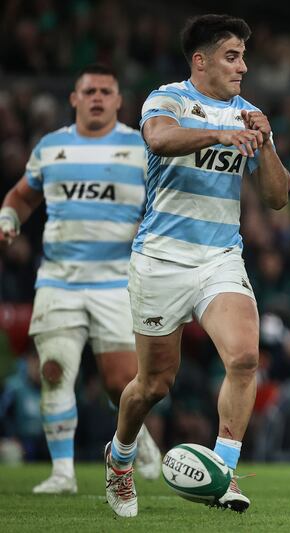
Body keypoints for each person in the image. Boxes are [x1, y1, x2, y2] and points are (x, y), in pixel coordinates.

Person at [102, 15, 290, 518]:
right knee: (154, 385)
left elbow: (277, 198)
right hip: (161, 258)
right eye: (233, 56)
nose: (243, 67)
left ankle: (223, 471)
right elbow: (160, 139)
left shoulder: (249, 114)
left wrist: (266, 141)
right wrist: (219, 134)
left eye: (245, 57)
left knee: (245, 358)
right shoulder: (168, 99)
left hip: (219, 256)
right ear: (200, 60)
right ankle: (120, 457)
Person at [0, 64, 161, 495]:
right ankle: (62, 473)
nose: (96, 98)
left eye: (105, 91)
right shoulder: (51, 148)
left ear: (118, 100)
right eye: (89, 90)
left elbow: (162, 204)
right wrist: (9, 217)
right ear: (73, 98)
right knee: (53, 371)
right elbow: (22, 194)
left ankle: (140, 440)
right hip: (58, 279)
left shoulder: (139, 147)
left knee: (121, 382)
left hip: (116, 283)